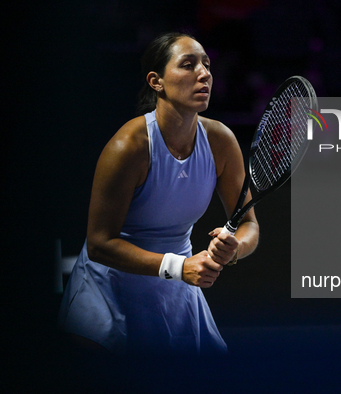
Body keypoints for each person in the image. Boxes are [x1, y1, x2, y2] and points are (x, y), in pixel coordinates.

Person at [58, 32, 259, 355]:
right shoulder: (129, 146)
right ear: (157, 81)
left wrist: (232, 250)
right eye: (188, 65)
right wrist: (179, 267)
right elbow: (99, 244)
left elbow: (250, 225)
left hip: (177, 288)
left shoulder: (221, 141)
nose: (204, 73)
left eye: (206, 64)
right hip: (111, 291)